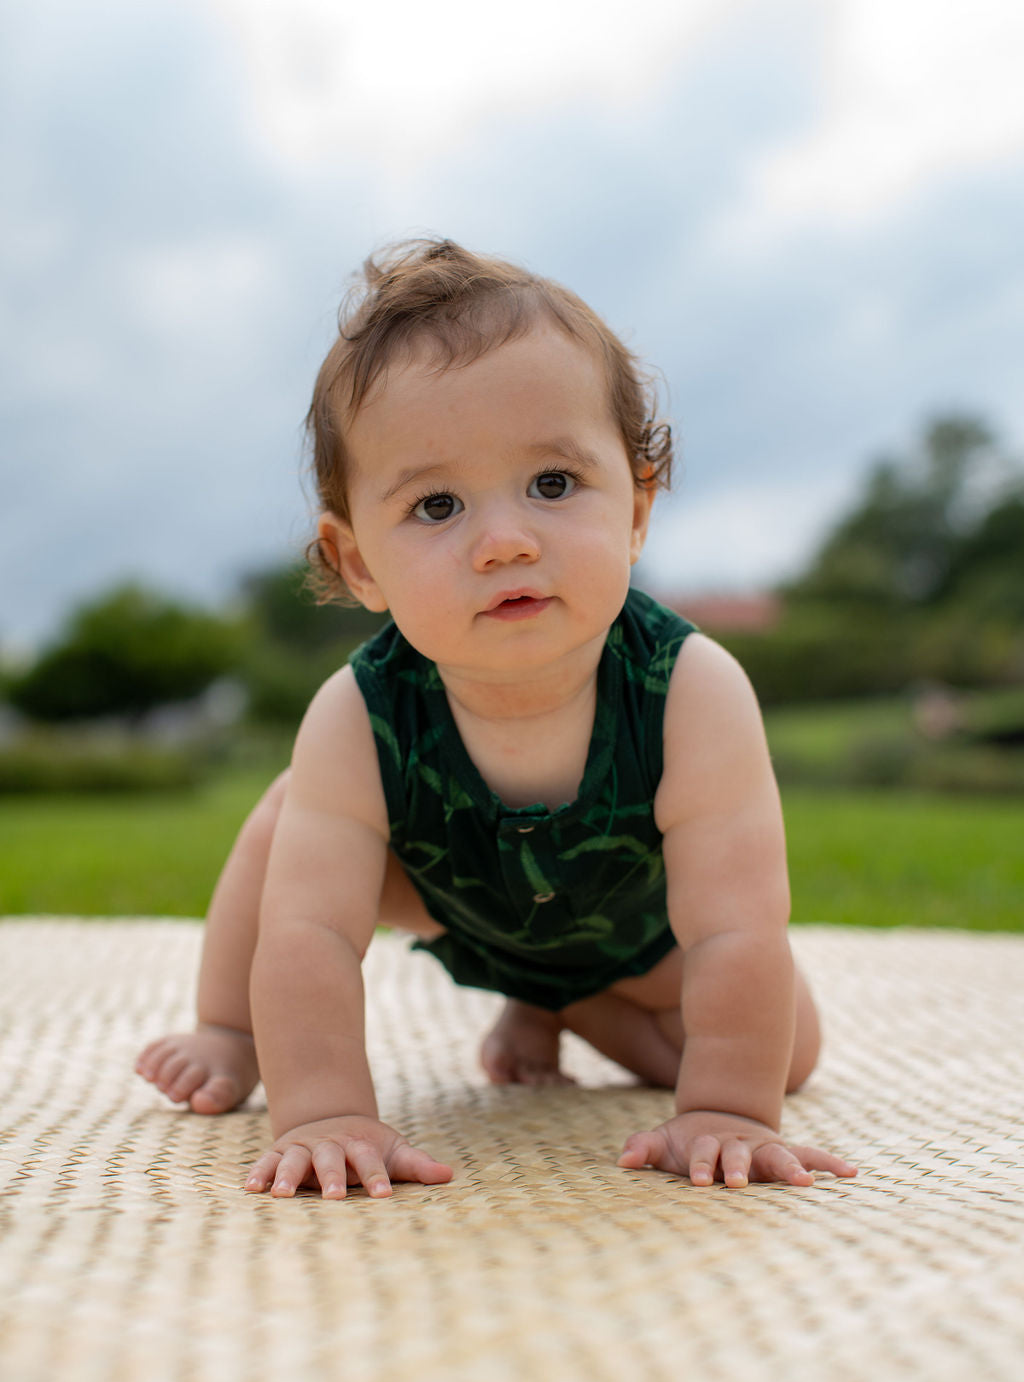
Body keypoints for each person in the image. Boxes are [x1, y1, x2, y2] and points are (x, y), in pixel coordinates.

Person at [136, 238, 857, 1200]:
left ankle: (560, 1001)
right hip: (448, 894)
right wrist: (326, 1111)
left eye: (553, 486)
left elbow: (734, 929)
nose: (505, 542)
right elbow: (309, 933)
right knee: (290, 823)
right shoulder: (360, 713)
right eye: (437, 505)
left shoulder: (691, 690)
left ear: (637, 508)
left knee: (786, 1053)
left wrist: (725, 1107)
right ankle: (229, 1026)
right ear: (358, 565)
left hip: (637, 931)